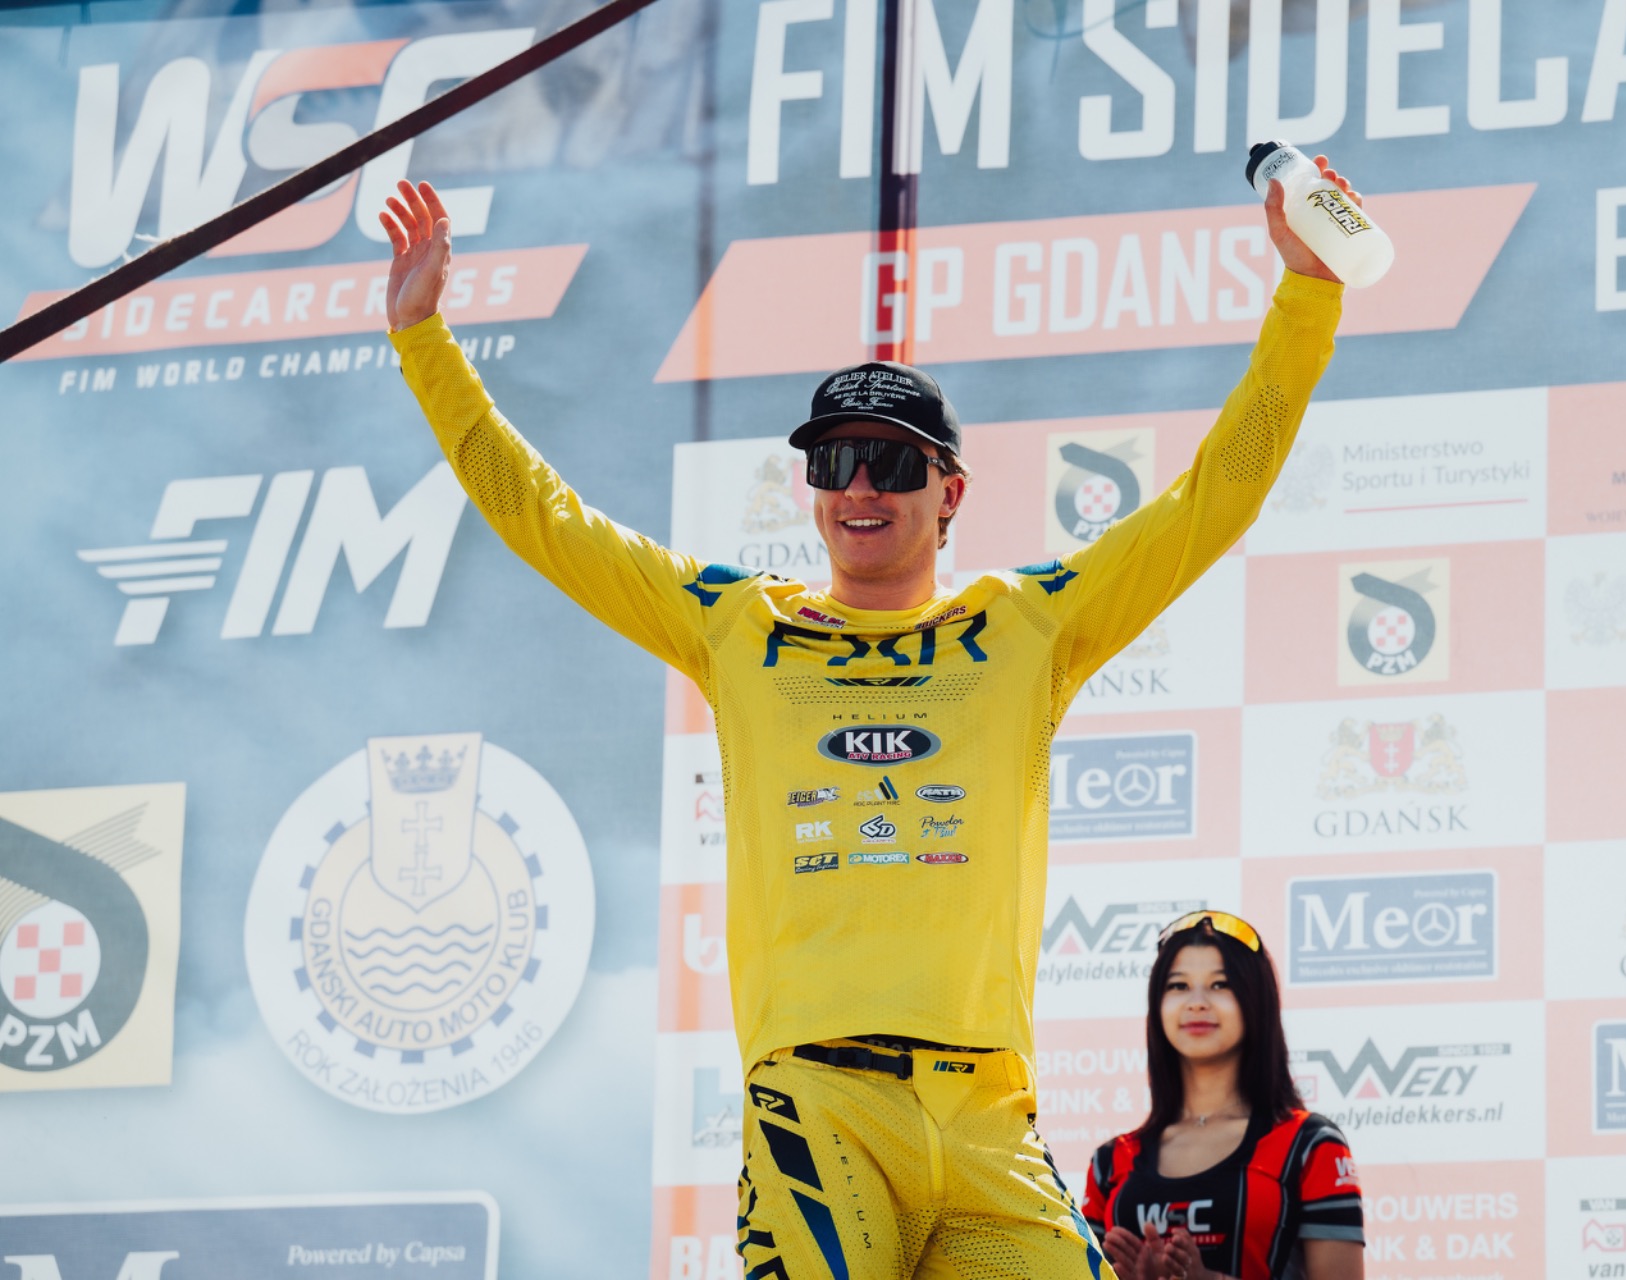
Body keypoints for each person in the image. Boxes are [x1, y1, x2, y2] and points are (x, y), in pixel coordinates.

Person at [378, 157, 1358, 1279]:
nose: (859, 487)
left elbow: (1212, 498)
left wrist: (1306, 296)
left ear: (951, 492)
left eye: (890, 462)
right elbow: (544, 518)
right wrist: (424, 342)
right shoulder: (738, 626)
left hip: (989, 1121)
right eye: (835, 460)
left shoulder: (1027, 625)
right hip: (820, 1104)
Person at [1084, 911, 1365, 1280]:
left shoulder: (1310, 1144)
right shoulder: (1111, 1162)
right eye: (1178, 986)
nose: (1197, 1002)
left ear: (1256, 1000)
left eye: (1220, 985)